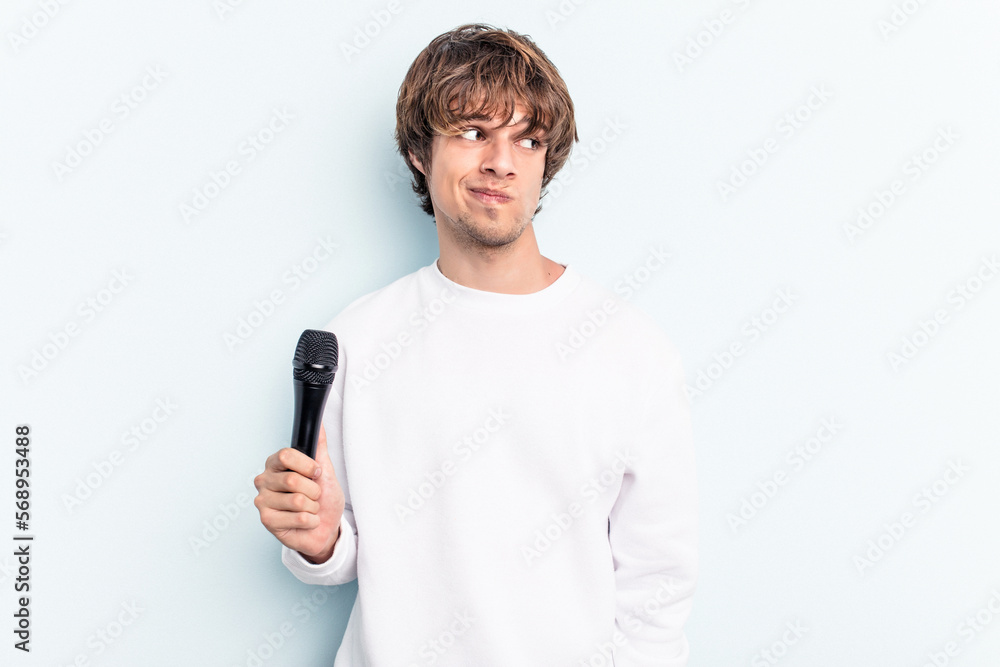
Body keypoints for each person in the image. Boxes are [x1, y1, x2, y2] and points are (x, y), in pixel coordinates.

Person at [253, 22, 698, 666]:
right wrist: (317, 540)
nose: (501, 161)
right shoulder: (359, 336)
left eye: (528, 139)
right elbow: (344, 555)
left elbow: (658, 588)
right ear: (419, 152)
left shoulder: (629, 349)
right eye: (471, 131)